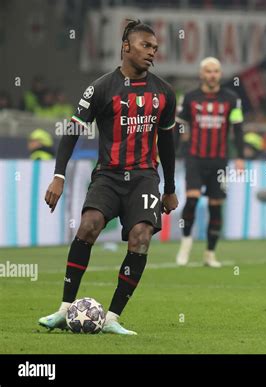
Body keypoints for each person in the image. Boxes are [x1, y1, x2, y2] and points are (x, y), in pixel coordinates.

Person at [38, 19, 178, 335]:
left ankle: (113, 317)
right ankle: (63, 310)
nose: (152, 53)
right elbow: (72, 130)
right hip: (108, 175)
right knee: (88, 227)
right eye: (146, 45)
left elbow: (168, 143)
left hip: (144, 178)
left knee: (140, 237)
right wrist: (58, 175)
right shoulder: (100, 88)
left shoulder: (164, 93)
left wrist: (169, 188)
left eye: (155, 48)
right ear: (126, 47)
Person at [175, 57, 244, 268]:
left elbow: (238, 129)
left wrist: (240, 157)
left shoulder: (232, 99)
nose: (212, 75)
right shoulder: (189, 98)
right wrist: (170, 153)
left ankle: (209, 254)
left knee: (216, 206)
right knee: (192, 200)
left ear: (220, 74)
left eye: (216, 71)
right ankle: (185, 245)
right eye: (208, 71)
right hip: (194, 158)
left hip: (219, 161)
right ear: (201, 74)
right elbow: (179, 127)